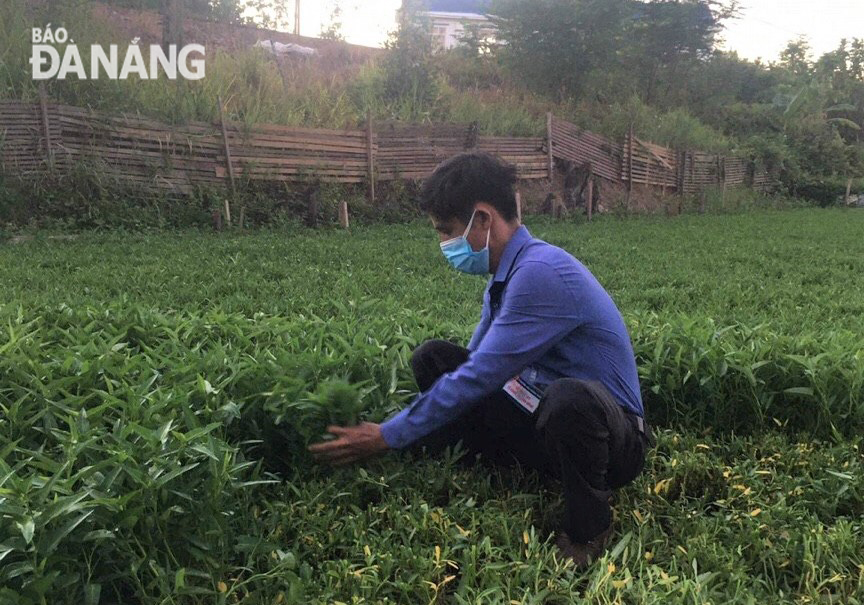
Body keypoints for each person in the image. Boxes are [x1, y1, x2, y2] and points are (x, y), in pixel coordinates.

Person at [309, 151, 652, 568]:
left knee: (569, 400)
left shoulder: (541, 272)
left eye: (447, 231)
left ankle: (589, 528)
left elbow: (478, 377)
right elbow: (473, 363)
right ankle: (472, 461)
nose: (444, 245)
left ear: (484, 219)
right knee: (435, 359)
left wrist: (388, 434)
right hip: (542, 417)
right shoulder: (508, 275)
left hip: (612, 439)